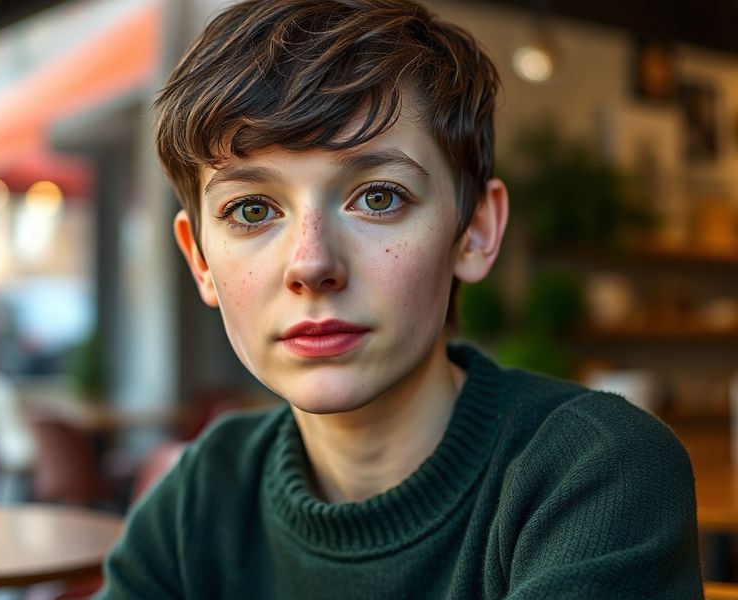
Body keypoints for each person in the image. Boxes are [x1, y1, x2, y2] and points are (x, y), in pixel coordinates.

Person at [96, 0, 704, 597]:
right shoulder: (202, 497)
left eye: (379, 197)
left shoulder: (595, 473)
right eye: (252, 210)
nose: (312, 263)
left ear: (475, 232)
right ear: (200, 258)